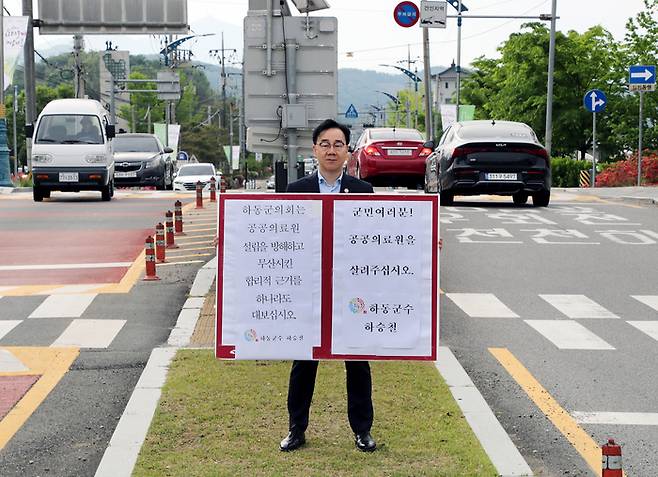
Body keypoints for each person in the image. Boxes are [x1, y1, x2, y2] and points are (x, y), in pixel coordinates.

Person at [280, 118, 377, 453]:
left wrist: (423, 243)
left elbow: (376, 240)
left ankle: (363, 430)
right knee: (304, 361)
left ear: (348, 151)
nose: (332, 150)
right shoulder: (296, 190)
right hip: (309, 289)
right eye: (325, 144)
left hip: (350, 289)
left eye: (338, 144)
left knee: (357, 360)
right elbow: (280, 235)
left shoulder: (364, 192)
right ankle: (296, 429)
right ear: (314, 150)